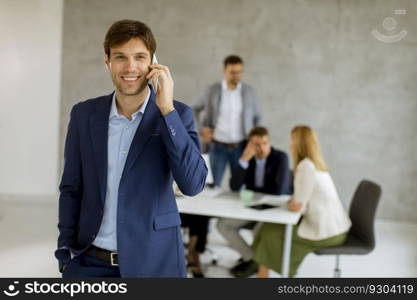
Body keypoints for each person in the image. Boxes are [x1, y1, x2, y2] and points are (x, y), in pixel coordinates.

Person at [54, 19, 207, 278]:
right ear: (107, 62)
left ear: (153, 63)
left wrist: (166, 110)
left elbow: (193, 184)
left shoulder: (177, 114)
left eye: (140, 57)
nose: (130, 67)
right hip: (89, 264)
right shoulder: (84, 115)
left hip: (155, 263)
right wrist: (65, 254)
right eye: (120, 57)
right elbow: (71, 188)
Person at [252, 125, 351, 277]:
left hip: (326, 232)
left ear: (298, 143)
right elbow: (302, 198)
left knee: (269, 233)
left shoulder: (306, 166)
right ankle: (261, 271)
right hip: (336, 227)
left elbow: (298, 206)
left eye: (292, 140)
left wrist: (292, 203)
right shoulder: (315, 163)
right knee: (268, 228)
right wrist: (294, 202)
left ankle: (267, 273)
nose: (290, 144)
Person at [216, 126, 292, 277]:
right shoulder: (247, 158)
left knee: (260, 231)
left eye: (265, 143)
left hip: (272, 210)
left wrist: (255, 193)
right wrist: (244, 160)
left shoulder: (280, 157)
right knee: (222, 225)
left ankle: (255, 263)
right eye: (257, 144)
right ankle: (253, 258)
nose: (262, 148)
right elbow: (234, 187)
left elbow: (279, 189)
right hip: (250, 209)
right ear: (249, 145)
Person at [193, 55, 262, 187]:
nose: (237, 75)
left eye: (239, 72)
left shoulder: (250, 92)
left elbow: (258, 116)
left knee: (240, 186)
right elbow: (194, 109)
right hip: (217, 147)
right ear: (224, 71)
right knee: (212, 186)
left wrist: (255, 139)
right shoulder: (211, 91)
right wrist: (201, 129)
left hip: (241, 147)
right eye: (233, 72)